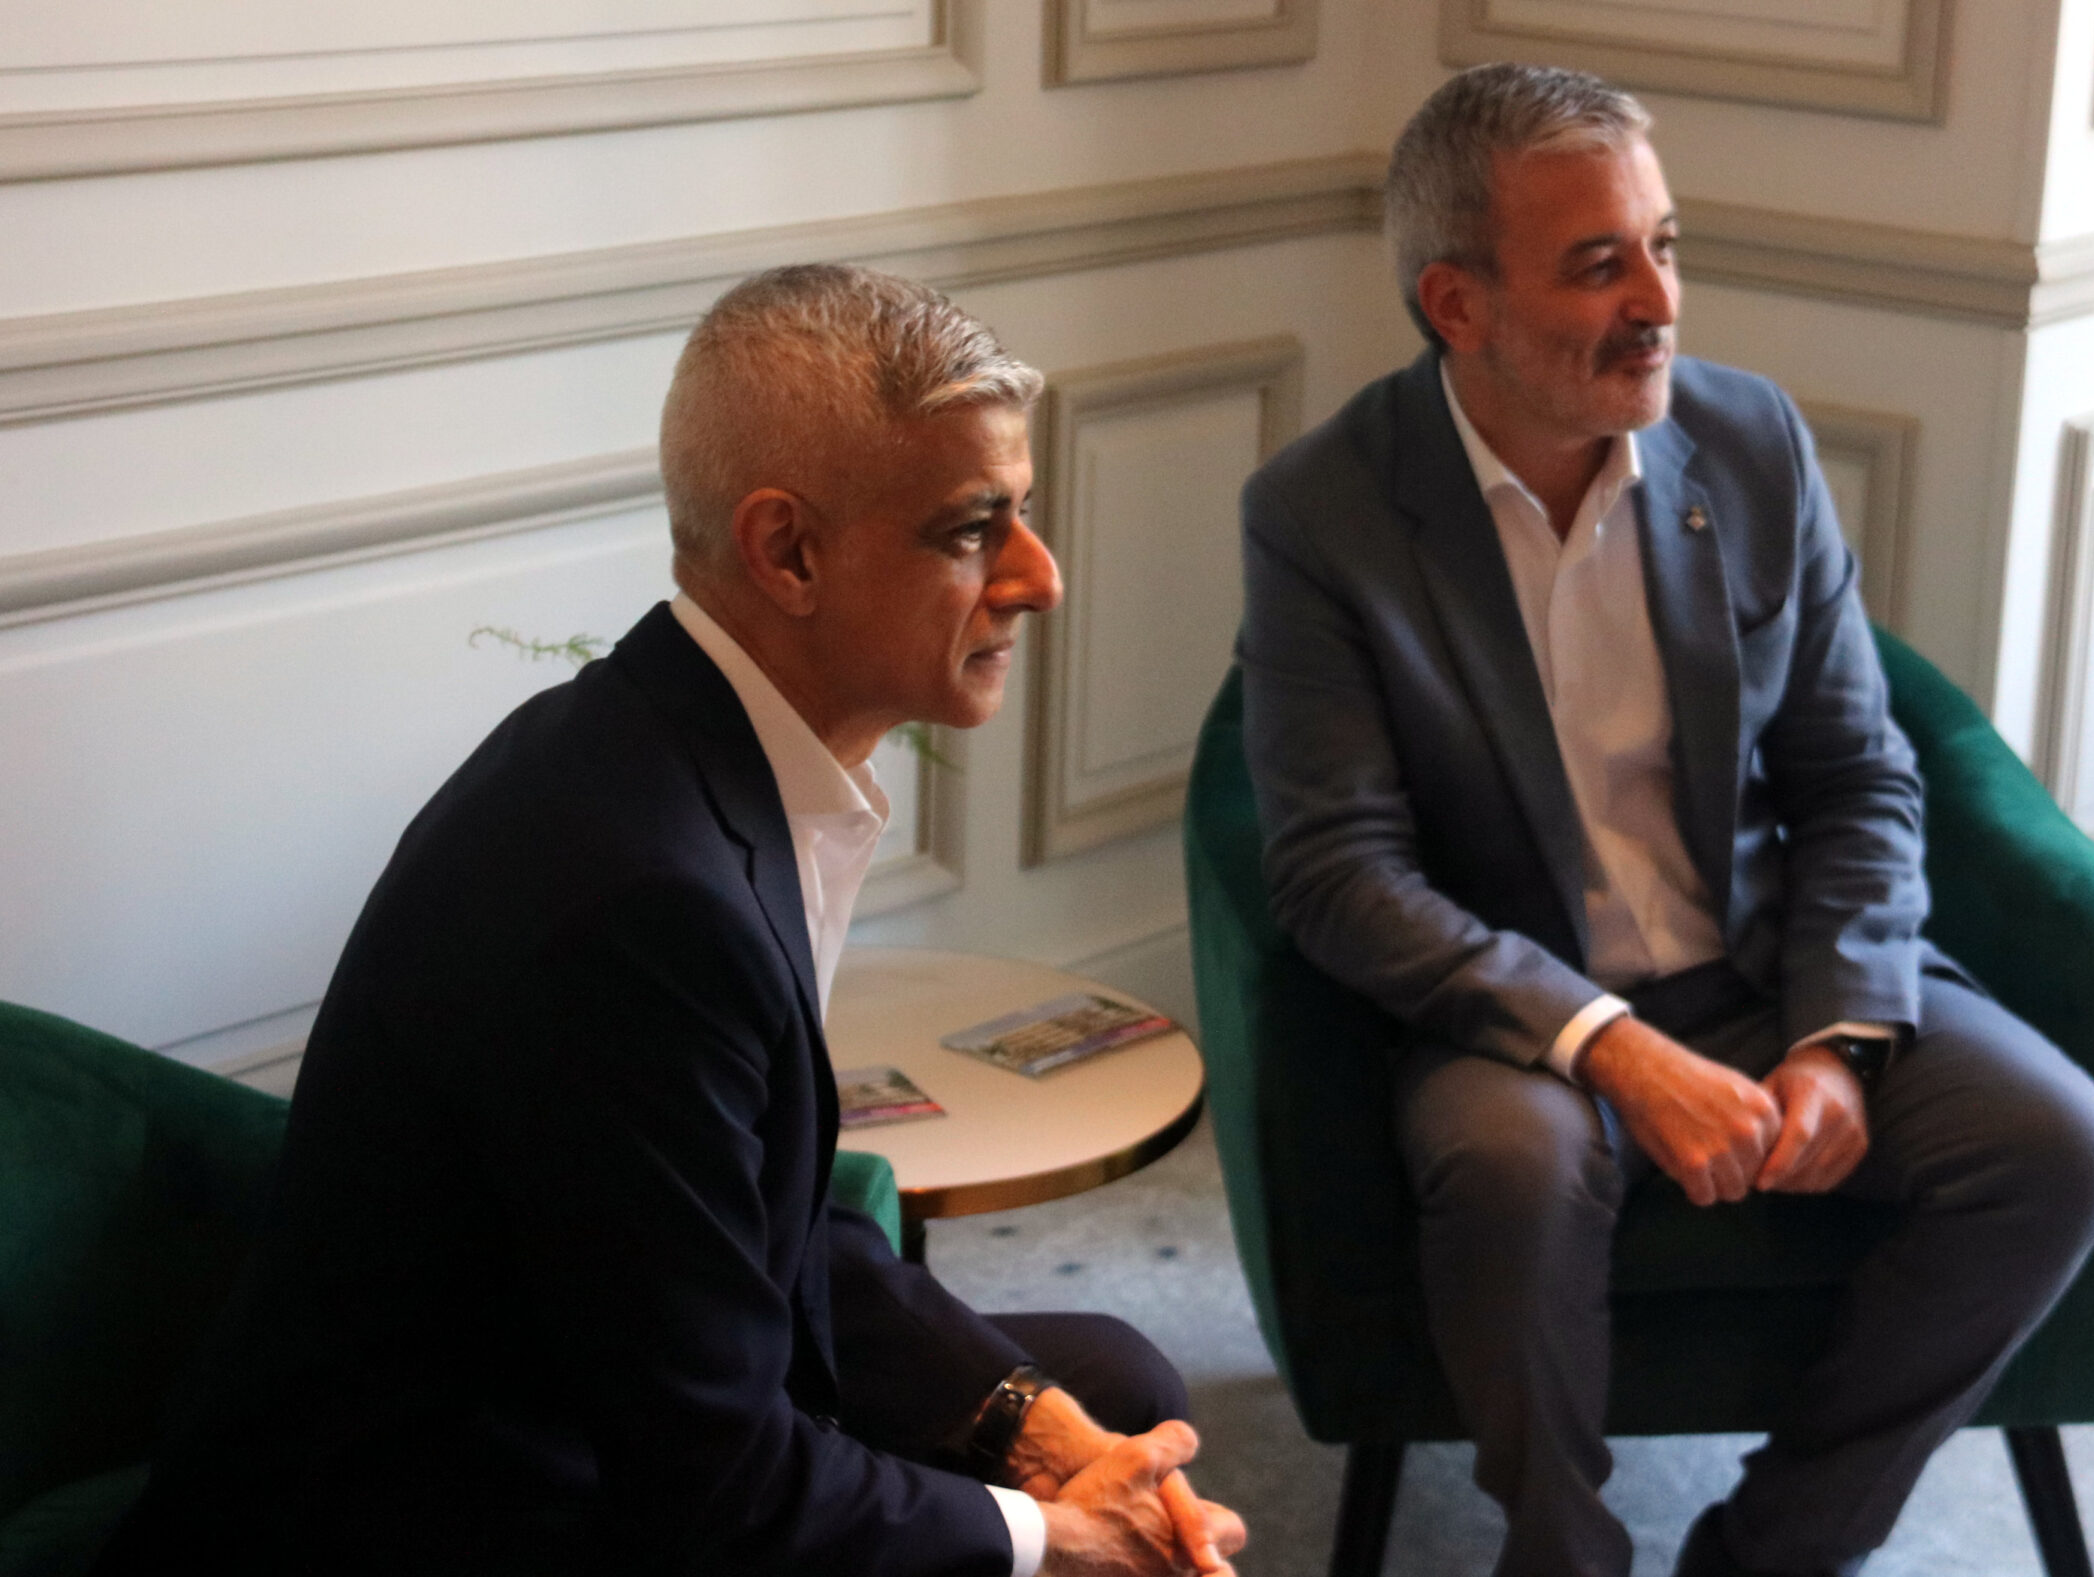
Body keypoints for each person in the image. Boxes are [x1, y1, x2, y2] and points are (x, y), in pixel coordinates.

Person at [96, 265, 1247, 1577]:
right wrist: (1055, 1537)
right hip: (438, 1517)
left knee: (1111, 1383)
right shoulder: (641, 904)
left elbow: (768, 1222)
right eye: (971, 530)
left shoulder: (687, 751)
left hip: (604, 1406)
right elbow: (721, 1491)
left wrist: (1029, 1428)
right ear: (788, 552)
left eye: (1020, 514)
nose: (1039, 577)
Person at [1236, 63, 2094, 1577]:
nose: (1658, 301)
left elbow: (1857, 771)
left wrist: (1840, 1036)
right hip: (1522, 1010)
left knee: (2060, 1146)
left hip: (1768, 965)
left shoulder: (1751, 438)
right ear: (1457, 304)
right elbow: (1338, 871)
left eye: (1664, 244)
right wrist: (1608, 1045)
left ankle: (1773, 1554)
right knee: (1513, 1174)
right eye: (1599, 264)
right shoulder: (1325, 509)